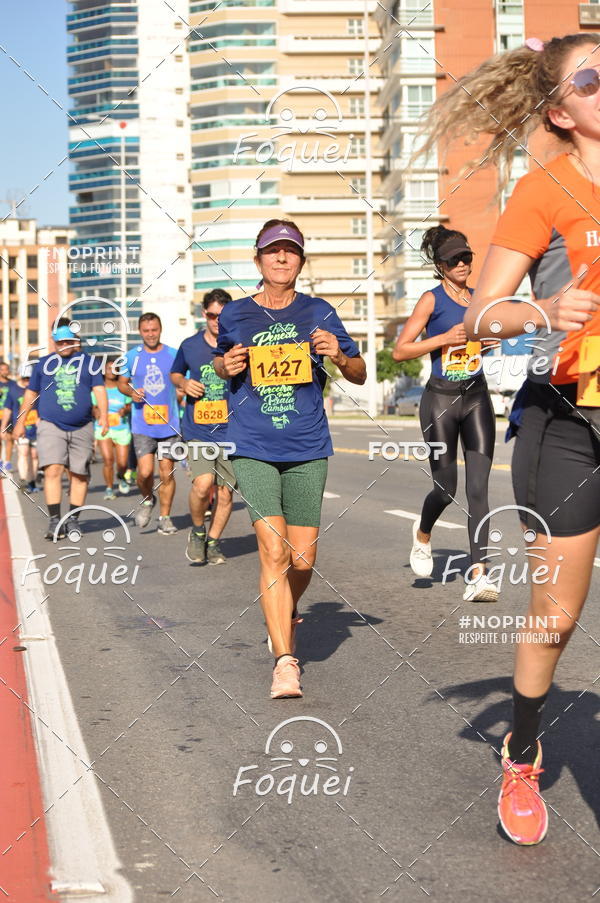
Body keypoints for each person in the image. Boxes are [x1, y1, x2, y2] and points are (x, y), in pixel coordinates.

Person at [421, 33, 600, 846]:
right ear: (563, 111)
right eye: (593, 80)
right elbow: (480, 317)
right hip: (570, 423)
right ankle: (523, 750)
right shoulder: (545, 187)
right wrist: (541, 314)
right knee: (556, 617)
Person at [213, 219, 366, 699]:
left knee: (302, 558)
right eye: (272, 251)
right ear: (258, 260)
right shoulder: (237, 313)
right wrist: (227, 366)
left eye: (291, 252)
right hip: (254, 443)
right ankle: (285, 661)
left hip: (306, 444)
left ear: (301, 261)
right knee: (274, 549)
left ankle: (282, 611)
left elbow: (359, 373)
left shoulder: (320, 311)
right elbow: (221, 360)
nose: (282, 258)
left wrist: (340, 356)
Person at [393, 225, 498, 602]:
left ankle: (479, 576)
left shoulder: (479, 299)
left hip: (476, 398)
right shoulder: (430, 300)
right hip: (439, 401)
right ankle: (423, 535)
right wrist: (442, 339)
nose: (462, 263)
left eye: (467, 257)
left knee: (479, 490)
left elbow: (479, 345)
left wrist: (486, 343)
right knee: (445, 488)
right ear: (440, 265)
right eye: (454, 259)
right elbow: (401, 350)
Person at [13, 324, 108, 539]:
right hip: (50, 424)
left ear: (75, 341)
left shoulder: (89, 363)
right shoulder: (43, 364)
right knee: (52, 470)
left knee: (79, 474)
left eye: (68, 341)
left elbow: (99, 390)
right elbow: (30, 394)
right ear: (54, 343)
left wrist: (103, 416)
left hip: (83, 425)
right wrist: (20, 423)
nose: (64, 345)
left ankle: (73, 520)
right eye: (60, 342)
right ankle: (55, 520)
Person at [171, 288, 235, 565]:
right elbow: (175, 373)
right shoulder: (190, 345)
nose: (216, 321)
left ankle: (213, 541)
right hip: (198, 429)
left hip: (232, 430)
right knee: (203, 484)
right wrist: (184, 384)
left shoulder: (238, 345)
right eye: (211, 315)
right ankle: (197, 532)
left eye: (222, 316)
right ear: (203, 314)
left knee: (225, 491)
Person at [118, 313, 180, 533]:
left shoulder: (174, 354)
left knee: (166, 472)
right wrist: (131, 391)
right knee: (144, 473)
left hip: (169, 424)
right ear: (140, 332)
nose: (151, 334)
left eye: (154, 330)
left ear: (160, 329)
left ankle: (165, 517)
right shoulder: (131, 356)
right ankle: (147, 499)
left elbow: (182, 381)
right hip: (142, 425)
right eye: (146, 331)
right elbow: (122, 383)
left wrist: (180, 393)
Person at [92, 359, 131, 500]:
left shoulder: (123, 388)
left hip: (121, 428)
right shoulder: (98, 388)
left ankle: (121, 476)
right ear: (104, 371)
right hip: (104, 428)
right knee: (108, 460)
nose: (112, 371)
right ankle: (109, 488)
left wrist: (125, 410)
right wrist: (96, 412)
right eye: (109, 368)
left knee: (122, 463)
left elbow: (129, 405)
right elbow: (93, 407)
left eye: (115, 368)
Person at [1, 362, 39, 493]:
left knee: (34, 456)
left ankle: (32, 481)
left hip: (36, 428)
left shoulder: (36, 389)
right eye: (24, 378)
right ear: (19, 376)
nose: (27, 381)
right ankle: (23, 480)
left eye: (29, 378)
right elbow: (7, 410)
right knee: (23, 452)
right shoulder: (13, 391)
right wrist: (3, 427)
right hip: (20, 427)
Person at [0, 360, 17, 476]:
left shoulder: (13, 384)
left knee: (9, 439)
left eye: (6, 369)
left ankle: (7, 462)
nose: (5, 371)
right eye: (2, 369)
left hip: (9, 415)